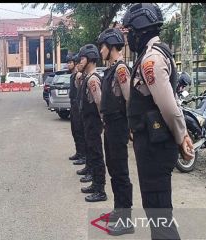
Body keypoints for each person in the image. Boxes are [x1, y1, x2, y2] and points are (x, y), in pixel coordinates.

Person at [123, 3, 194, 239]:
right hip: (152, 145)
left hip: (156, 149)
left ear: (140, 29)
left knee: (159, 214)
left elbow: (169, 107)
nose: (129, 37)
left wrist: (182, 136)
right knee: (157, 210)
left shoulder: (150, 59)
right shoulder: (152, 55)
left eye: (130, 31)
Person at [97, 28, 134, 235]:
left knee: (120, 172)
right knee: (112, 169)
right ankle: (119, 209)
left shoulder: (121, 69)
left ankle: (126, 218)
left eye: (103, 46)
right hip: (110, 125)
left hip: (119, 125)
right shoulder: (111, 69)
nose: (100, 50)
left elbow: (129, 99)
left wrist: (130, 127)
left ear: (111, 46)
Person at [77, 44, 107, 202]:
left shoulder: (93, 79)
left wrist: (104, 122)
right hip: (88, 122)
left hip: (94, 123)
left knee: (96, 154)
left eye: (82, 58)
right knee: (91, 152)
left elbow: (100, 103)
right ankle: (95, 183)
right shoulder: (87, 77)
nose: (80, 62)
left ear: (90, 59)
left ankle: (100, 189)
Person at [67, 54, 86, 165]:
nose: (69, 64)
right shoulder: (72, 75)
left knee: (79, 130)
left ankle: (83, 155)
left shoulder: (78, 75)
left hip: (77, 105)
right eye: (68, 62)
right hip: (73, 105)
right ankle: (79, 152)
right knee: (74, 130)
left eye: (70, 62)